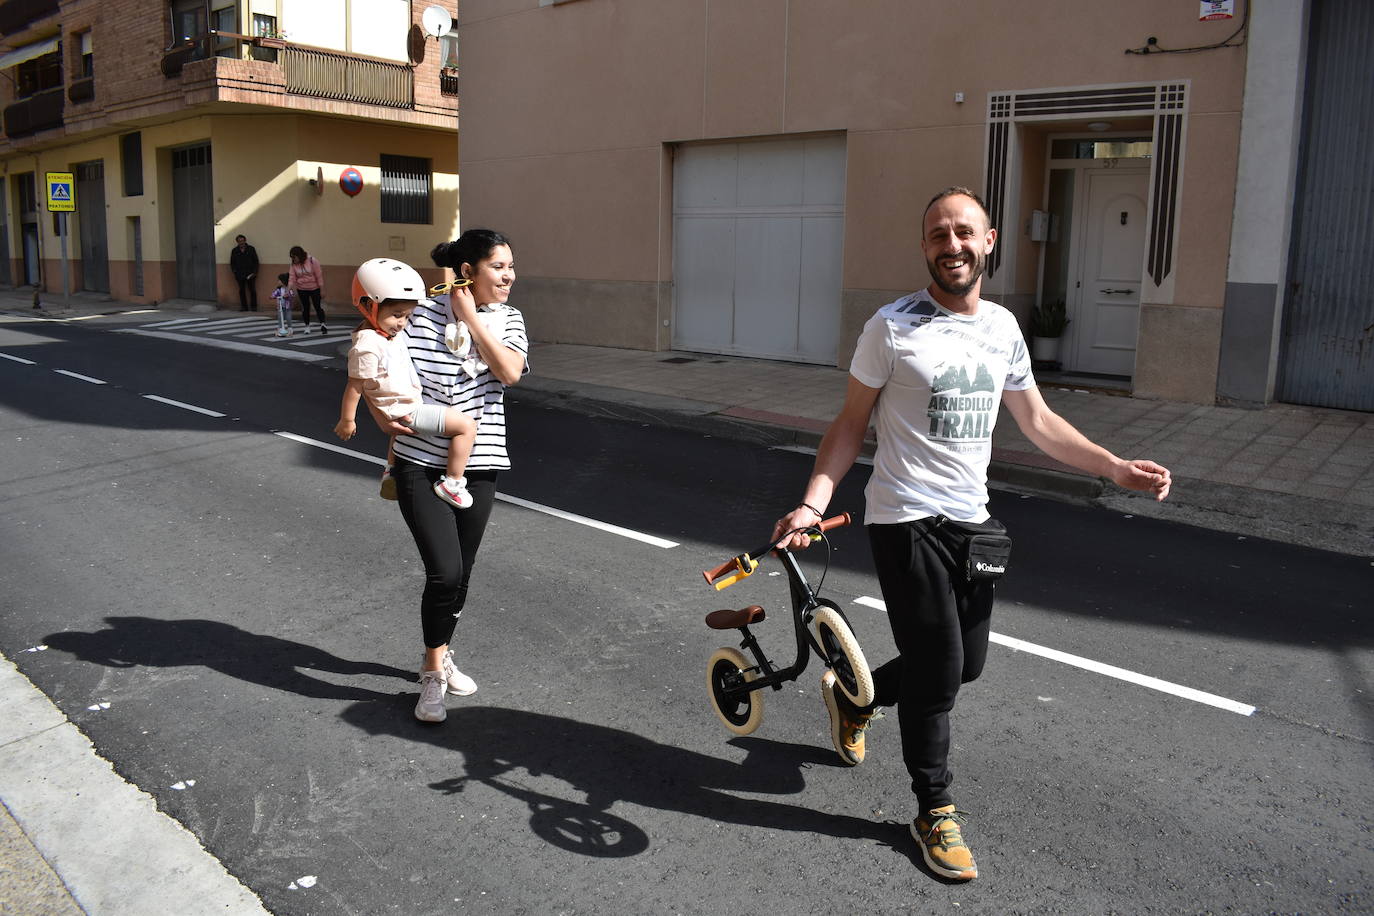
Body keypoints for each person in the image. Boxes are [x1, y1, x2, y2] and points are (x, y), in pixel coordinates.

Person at [771, 187, 1171, 882]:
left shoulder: (1004, 328)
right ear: (924, 246)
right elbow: (849, 424)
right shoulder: (891, 327)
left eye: (963, 232)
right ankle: (934, 809)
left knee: (964, 664)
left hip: (973, 521)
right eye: (936, 235)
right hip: (904, 518)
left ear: (989, 241)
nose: (950, 245)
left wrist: (1112, 468)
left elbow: (1039, 422)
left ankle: (855, 696)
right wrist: (812, 503)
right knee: (938, 674)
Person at [365, 230, 526, 723]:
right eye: (498, 266)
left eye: (511, 266)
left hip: (478, 463)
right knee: (446, 572)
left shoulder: (510, 319)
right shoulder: (421, 311)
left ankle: (439, 650)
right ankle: (433, 673)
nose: (509, 276)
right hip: (418, 456)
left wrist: (473, 320)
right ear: (468, 271)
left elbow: (510, 372)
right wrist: (374, 413)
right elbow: (379, 363)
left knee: (464, 573)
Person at [333, 258, 478, 510]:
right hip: (407, 410)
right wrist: (348, 420)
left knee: (398, 436)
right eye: (397, 315)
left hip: (402, 405)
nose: (402, 323)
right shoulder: (367, 346)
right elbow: (355, 386)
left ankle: (391, 470)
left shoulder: (383, 333)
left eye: (407, 316)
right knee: (466, 426)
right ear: (368, 305)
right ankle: (452, 483)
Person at [288, 245, 327, 333]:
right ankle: (307, 326)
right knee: (305, 308)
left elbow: (319, 276)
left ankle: (323, 324)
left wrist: (322, 289)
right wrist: (288, 289)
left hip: (314, 288)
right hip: (302, 289)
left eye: (294, 257)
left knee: (317, 306)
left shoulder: (312, 261)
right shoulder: (293, 265)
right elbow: (292, 278)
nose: (293, 259)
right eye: (292, 257)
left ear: (299, 255)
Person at [230, 235, 259, 311]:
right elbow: (232, 262)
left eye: (242, 241)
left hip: (250, 273)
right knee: (241, 290)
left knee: (252, 290)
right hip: (239, 274)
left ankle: (254, 307)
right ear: (237, 242)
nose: (241, 243)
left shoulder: (251, 249)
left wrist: (255, 272)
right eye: (239, 241)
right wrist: (234, 271)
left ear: (245, 241)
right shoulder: (234, 250)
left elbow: (256, 261)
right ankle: (244, 307)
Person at [271, 273, 294, 338]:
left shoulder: (288, 289)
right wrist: (272, 296)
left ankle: (290, 328)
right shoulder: (279, 289)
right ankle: (281, 328)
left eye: (279, 280)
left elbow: (292, 295)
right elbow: (275, 293)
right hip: (280, 306)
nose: (278, 282)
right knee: (280, 317)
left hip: (287, 306)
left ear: (283, 281)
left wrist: (287, 296)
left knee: (288, 317)